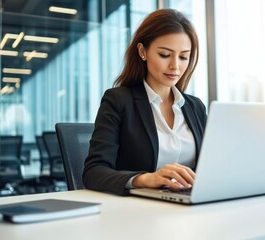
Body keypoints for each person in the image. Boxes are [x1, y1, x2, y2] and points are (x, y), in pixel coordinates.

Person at [82, 9, 207, 196]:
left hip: (189, 205)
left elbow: (212, 165)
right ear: (142, 51)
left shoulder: (195, 107)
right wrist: (145, 179)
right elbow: (93, 172)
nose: (175, 66)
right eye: (165, 55)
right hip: (138, 211)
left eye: (183, 57)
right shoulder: (118, 101)